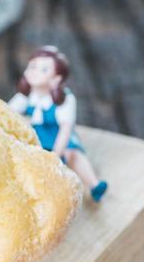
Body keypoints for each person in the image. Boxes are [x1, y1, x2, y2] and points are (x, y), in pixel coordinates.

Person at [9, 45, 108, 202]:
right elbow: (8, 113)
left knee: (73, 155)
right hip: (35, 135)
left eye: (43, 69)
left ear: (56, 78)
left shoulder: (65, 99)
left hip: (58, 136)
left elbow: (65, 129)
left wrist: (57, 153)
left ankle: (93, 184)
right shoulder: (25, 96)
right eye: (33, 66)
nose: (35, 71)